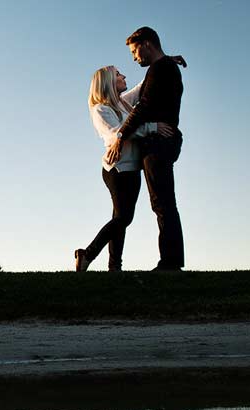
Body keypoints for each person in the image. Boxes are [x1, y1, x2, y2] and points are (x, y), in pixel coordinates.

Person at [75, 65, 176, 272]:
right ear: (109, 82)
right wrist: (152, 127)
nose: (124, 76)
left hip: (132, 169)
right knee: (124, 218)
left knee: (120, 218)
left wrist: (164, 63)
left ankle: (114, 266)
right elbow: (116, 134)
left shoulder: (122, 102)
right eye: (119, 75)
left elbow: (142, 88)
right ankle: (87, 254)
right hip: (117, 171)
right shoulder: (100, 109)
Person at [106, 26, 186, 271]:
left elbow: (144, 106)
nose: (133, 57)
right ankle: (171, 261)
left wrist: (120, 137)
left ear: (147, 44)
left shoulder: (161, 69)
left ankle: (170, 263)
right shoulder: (162, 68)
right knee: (163, 202)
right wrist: (168, 59)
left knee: (162, 203)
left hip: (159, 144)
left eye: (134, 51)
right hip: (161, 143)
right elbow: (145, 93)